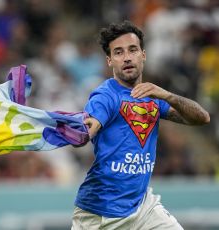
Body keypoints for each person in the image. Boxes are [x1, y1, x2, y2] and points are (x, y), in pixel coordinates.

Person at [72, 21, 210, 229]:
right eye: (118, 52)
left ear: (143, 55)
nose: (127, 57)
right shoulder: (105, 96)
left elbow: (202, 118)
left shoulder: (153, 95)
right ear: (110, 60)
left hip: (143, 207)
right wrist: (81, 131)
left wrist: (168, 95)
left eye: (132, 50)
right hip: (99, 214)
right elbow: (90, 126)